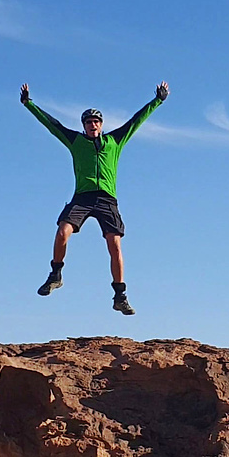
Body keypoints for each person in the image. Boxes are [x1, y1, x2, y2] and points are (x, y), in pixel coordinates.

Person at [21, 81, 168, 315]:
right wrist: (29, 104)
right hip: (82, 197)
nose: (93, 125)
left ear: (101, 125)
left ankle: (120, 296)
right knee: (62, 231)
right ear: (84, 125)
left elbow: (136, 121)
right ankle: (55, 275)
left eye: (96, 122)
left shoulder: (115, 141)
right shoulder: (76, 142)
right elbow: (52, 125)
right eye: (88, 122)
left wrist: (157, 101)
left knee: (115, 245)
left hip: (107, 200)